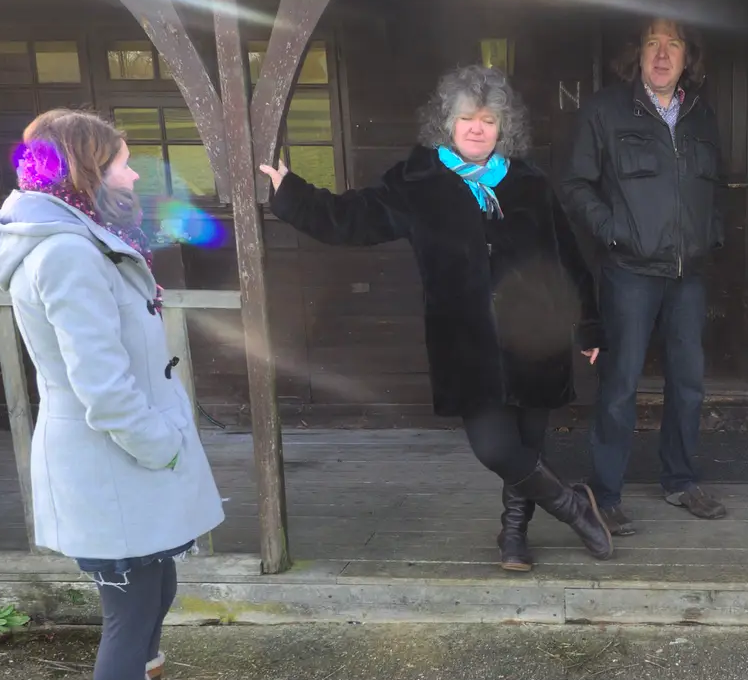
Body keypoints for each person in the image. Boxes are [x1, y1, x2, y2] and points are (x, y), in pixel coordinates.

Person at [260, 64, 610, 569]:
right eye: (466, 117)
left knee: (529, 444)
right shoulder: (418, 182)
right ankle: (575, 508)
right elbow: (351, 218)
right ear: (447, 122)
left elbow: (568, 257)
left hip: (538, 339)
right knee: (495, 447)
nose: (476, 128)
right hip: (468, 346)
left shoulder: (529, 182)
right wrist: (292, 193)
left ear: (502, 127)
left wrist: (589, 323)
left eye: (488, 120)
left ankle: (514, 535)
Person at [0, 109, 225, 680]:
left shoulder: (79, 237)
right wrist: (167, 447)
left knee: (156, 592)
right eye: (120, 160)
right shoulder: (63, 253)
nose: (131, 172)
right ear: (87, 169)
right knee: (130, 611)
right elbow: (103, 387)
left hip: (126, 463)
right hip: (111, 464)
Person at [559, 17, 726, 536]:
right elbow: (575, 185)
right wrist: (613, 230)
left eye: (672, 44)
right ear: (637, 54)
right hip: (629, 271)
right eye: (652, 43)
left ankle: (680, 480)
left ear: (687, 56)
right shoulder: (605, 111)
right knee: (619, 386)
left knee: (689, 385)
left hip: (687, 273)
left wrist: (711, 232)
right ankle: (604, 494)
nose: (662, 53)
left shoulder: (700, 115)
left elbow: (715, 185)